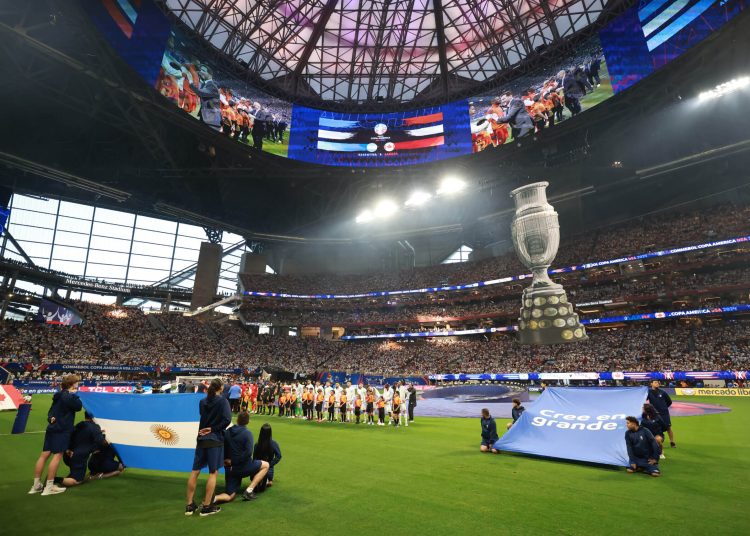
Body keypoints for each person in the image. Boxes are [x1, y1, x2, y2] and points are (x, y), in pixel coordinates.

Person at [185, 378, 232, 517]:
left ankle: (189, 505)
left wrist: (209, 429)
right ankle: (206, 506)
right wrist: (213, 429)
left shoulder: (202, 401)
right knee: (213, 472)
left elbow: (204, 416)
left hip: (201, 438)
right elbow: (227, 420)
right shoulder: (223, 401)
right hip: (214, 439)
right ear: (221, 388)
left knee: (195, 471)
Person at [30, 373, 82, 496]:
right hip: (62, 429)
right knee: (57, 456)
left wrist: (50, 419)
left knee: (44, 455)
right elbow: (78, 407)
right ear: (72, 384)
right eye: (77, 382)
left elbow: (50, 412)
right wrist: (75, 395)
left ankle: (36, 485)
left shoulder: (57, 395)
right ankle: (49, 487)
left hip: (52, 428)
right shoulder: (68, 396)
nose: (78, 384)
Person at [214, 412, 269, 503]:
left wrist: (227, 461)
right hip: (244, 467)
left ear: (237, 420)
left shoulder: (227, 432)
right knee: (266, 465)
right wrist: (233, 461)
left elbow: (222, 447)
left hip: (231, 470)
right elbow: (248, 453)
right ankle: (249, 490)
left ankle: (212, 499)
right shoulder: (248, 434)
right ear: (248, 422)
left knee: (230, 496)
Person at [61, 411, 108, 487]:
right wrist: (102, 436)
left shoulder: (79, 424)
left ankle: (57, 479)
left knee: (75, 473)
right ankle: (53, 480)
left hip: (68, 454)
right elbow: (100, 441)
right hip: (79, 458)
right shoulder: (95, 427)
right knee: (77, 481)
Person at [252, 423, 282, 492]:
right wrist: (270, 464)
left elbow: (254, 458)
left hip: (258, 466)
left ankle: (259, 480)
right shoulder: (273, 443)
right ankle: (267, 480)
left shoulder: (257, 444)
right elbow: (279, 456)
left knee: (258, 477)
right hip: (268, 468)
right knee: (267, 477)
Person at [647, 380, 676, 447]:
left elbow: (669, 402)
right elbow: (643, 399)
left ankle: (672, 442)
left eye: (658, 382)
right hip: (654, 414)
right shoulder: (649, 392)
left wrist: (664, 408)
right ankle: (656, 442)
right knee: (655, 428)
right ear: (651, 384)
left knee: (668, 427)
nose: (657, 384)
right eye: (655, 382)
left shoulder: (663, 392)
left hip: (664, 413)